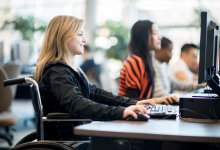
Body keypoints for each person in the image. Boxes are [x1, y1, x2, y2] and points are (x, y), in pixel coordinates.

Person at [34, 15, 179, 124]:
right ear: (62, 38)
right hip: (69, 133)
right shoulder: (56, 70)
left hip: (81, 128)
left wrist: (133, 104)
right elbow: (77, 103)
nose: (84, 40)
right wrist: (120, 112)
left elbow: (96, 93)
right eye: (80, 34)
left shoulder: (70, 68)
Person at [118, 20, 178, 102]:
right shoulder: (135, 61)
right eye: (155, 33)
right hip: (129, 111)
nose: (160, 37)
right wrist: (158, 100)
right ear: (143, 37)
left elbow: (144, 99)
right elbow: (131, 100)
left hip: (142, 110)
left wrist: (160, 99)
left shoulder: (147, 60)